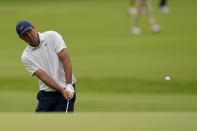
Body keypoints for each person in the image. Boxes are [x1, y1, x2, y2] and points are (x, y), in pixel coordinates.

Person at [16, 20, 77, 112]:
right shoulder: (26, 56)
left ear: (33, 28)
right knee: (38, 124)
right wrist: (61, 90)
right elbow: (43, 77)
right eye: (25, 35)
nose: (29, 36)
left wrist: (68, 86)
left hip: (67, 89)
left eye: (29, 31)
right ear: (22, 39)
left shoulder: (52, 36)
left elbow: (65, 59)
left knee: (61, 124)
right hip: (46, 94)